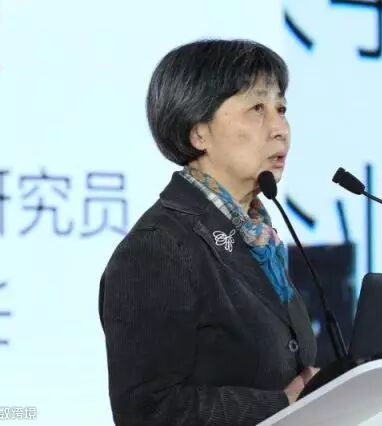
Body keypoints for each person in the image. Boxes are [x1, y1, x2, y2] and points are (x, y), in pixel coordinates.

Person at [98, 39, 318, 425]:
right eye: (257, 109)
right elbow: (147, 411)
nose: (280, 129)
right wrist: (279, 406)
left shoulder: (260, 241)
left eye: (281, 109)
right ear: (199, 133)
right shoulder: (159, 248)